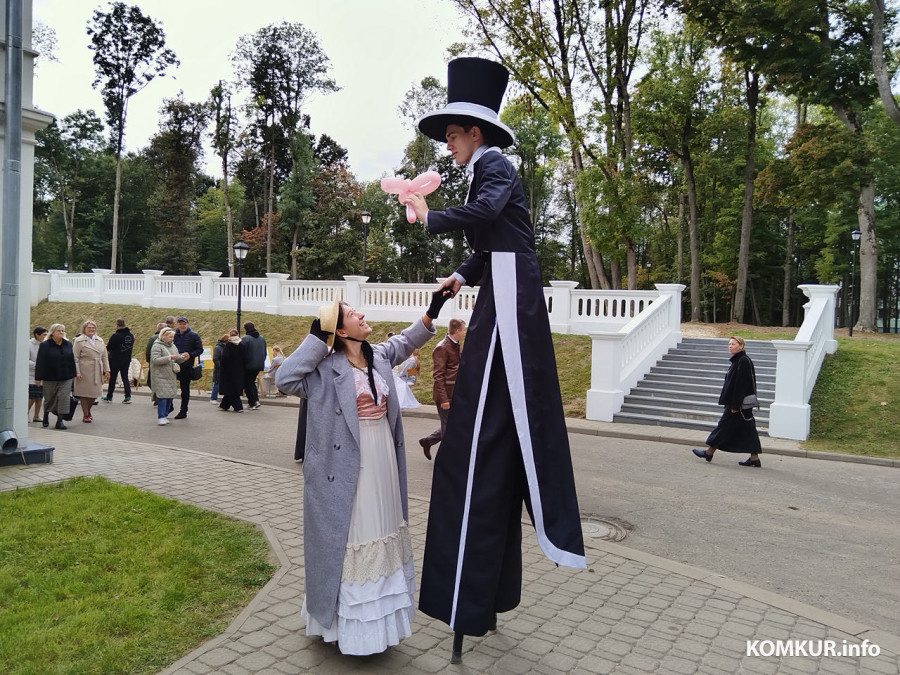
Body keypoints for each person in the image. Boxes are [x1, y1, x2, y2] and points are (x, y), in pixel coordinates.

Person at [405, 57, 586, 654]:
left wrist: (432, 219)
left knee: (487, 418)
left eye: (453, 135)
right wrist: (459, 275)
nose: (449, 145)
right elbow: (487, 243)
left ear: (474, 133)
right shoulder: (485, 169)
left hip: (516, 295)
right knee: (490, 423)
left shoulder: (496, 166)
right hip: (499, 285)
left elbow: (483, 219)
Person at [274, 290, 449, 655]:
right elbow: (284, 379)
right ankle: (345, 627)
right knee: (352, 534)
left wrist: (435, 307)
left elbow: (407, 339)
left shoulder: (378, 356)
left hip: (383, 457)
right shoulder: (323, 369)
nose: (362, 314)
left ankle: (381, 625)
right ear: (338, 331)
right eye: (353, 313)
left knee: (382, 528)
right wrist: (316, 340)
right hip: (344, 467)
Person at [692, 336, 763, 467]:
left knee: (724, 426)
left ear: (741, 346)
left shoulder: (743, 361)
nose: (730, 346)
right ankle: (754, 458)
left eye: (733, 344)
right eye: (729, 344)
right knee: (749, 430)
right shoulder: (738, 360)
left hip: (738, 404)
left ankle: (709, 452)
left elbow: (741, 385)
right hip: (739, 404)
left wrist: (735, 404)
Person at [418, 319, 466, 460]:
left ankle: (428, 441)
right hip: (445, 395)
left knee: (453, 424)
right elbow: (438, 376)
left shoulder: (455, 345)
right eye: (463, 330)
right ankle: (447, 459)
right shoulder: (442, 348)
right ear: (457, 330)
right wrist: (444, 399)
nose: (464, 332)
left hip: (455, 393)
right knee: (449, 428)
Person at [34, 323, 76, 429]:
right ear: (53, 333)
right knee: (49, 398)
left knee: (63, 398)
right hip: (49, 377)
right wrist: (38, 378)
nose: (61, 332)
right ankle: (46, 414)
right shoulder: (45, 345)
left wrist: (74, 374)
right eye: (59, 330)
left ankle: (60, 421)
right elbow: (40, 362)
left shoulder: (68, 344)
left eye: (62, 330)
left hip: (66, 376)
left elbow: (72, 360)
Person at [72, 320, 110, 424]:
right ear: (84, 329)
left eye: (93, 328)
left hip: (97, 369)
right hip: (84, 369)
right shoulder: (79, 341)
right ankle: (86, 414)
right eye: (89, 328)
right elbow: (75, 358)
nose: (91, 329)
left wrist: (107, 370)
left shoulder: (100, 340)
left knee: (94, 394)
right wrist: (77, 372)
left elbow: (104, 356)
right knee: (84, 394)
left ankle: (88, 411)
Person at [149, 328, 187, 426]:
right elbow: (155, 360)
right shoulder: (157, 346)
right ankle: (161, 416)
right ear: (163, 336)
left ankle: (165, 415)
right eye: (170, 337)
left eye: (173, 337)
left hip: (171, 375)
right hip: (160, 376)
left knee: (170, 396)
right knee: (163, 397)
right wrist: (169, 358)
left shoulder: (173, 346)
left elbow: (177, 358)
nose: (172, 339)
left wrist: (182, 357)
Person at [172, 316, 203, 419]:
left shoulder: (194, 335)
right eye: (180, 323)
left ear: (187, 324)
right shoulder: (173, 335)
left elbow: (200, 350)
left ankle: (183, 411)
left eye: (184, 323)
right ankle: (169, 406)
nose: (182, 325)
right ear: (177, 325)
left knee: (185, 389)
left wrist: (190, 354)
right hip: (173, 364)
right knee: (170, 387)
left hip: (186, 366)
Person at [102, 318, 134, 403]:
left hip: (115, 360)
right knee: (125, 377)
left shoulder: (115, 336)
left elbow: (109, 348)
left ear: (117, 325)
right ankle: (128, 396)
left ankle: (109, 396)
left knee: (112, 378)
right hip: (126, 359)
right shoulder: (130, 335)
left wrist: (106, 345)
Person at [241, 321, 267, 410]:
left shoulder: (245, 339)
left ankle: (253, 402)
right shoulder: (261, 338)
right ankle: (256, 400)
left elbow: (242, 353)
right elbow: (265, 353)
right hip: (259, 364)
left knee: (247, 383)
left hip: (248, 365)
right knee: (251, 382)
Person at [218, 330, 246, 413]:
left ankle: (238, 407)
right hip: (239, 370)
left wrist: (222, 367)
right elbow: (244, 357)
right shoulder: (242, 345)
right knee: (233, 387)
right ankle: (224, 405)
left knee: (231, 389)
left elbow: (225, 358)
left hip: (229, 370)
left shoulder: (229, 345)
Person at [144, 320, 169, 401]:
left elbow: (148, 352)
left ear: (158, 329)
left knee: (150, 381)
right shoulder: (170, 338)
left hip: (155, 363)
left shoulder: (153, 338)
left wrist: (149, 361)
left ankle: (159, 397)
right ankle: (162, 397)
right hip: (167, 363)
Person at [28, 326, 48, 423]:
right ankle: (25, 414)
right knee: (31, 397)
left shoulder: (44, 345)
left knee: (39, 397)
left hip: (42, 375)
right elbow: (26, 361)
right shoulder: (29, 344)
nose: (45, 336)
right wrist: (38, 366)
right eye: (43, 335)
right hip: (31, 375)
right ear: (37, 334)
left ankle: (36, 416)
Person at [209, 333, 227, 404]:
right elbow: (215, 359)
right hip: (218, 369)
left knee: (222, 383)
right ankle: (213, 398)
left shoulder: (224, 347)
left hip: (224, 368)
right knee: (217, 383)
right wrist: (220, 366)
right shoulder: (217, 348)